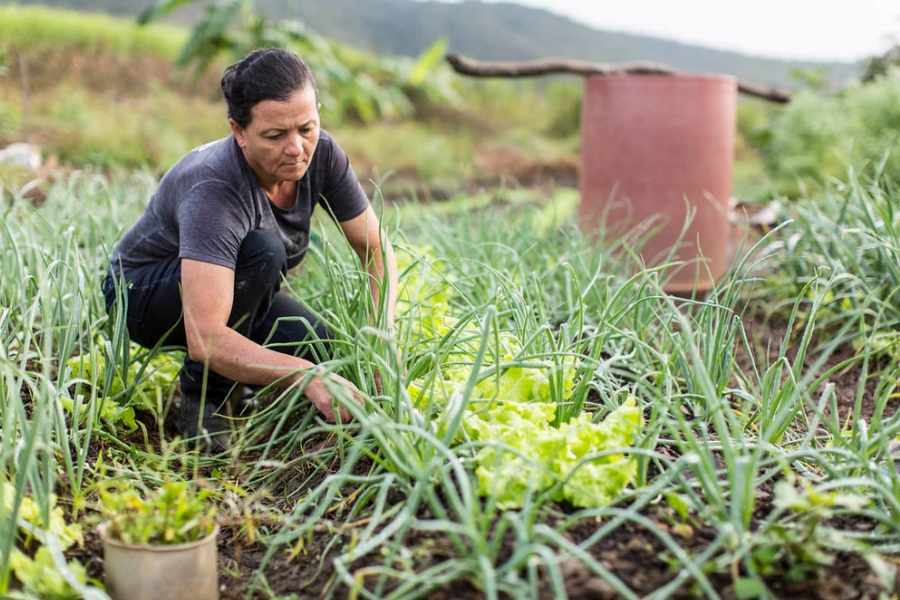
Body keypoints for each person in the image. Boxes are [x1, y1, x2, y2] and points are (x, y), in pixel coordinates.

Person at [102, 47, 398, 449]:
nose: (296, 148)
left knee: (326, 349)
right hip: (141, 295)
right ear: (239, 132)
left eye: (306, 128)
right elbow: (205, 337)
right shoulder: (215, 189)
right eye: (275, 135)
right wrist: (304, 376)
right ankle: (202, 400)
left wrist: (381, 338)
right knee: (263, 251)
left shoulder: (322, 154)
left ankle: (249, 379)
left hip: (236, 287)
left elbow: (375, 249)